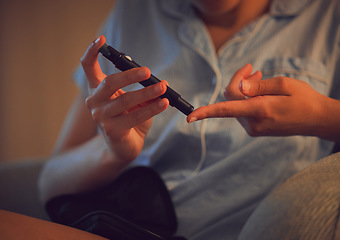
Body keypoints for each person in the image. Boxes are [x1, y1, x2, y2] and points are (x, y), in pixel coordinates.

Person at [20, 0, 338, 239]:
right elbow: (50, 183)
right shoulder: (136, 12)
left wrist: (322, 117)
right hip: (123, 225)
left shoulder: (328, 15)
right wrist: (112, 152)